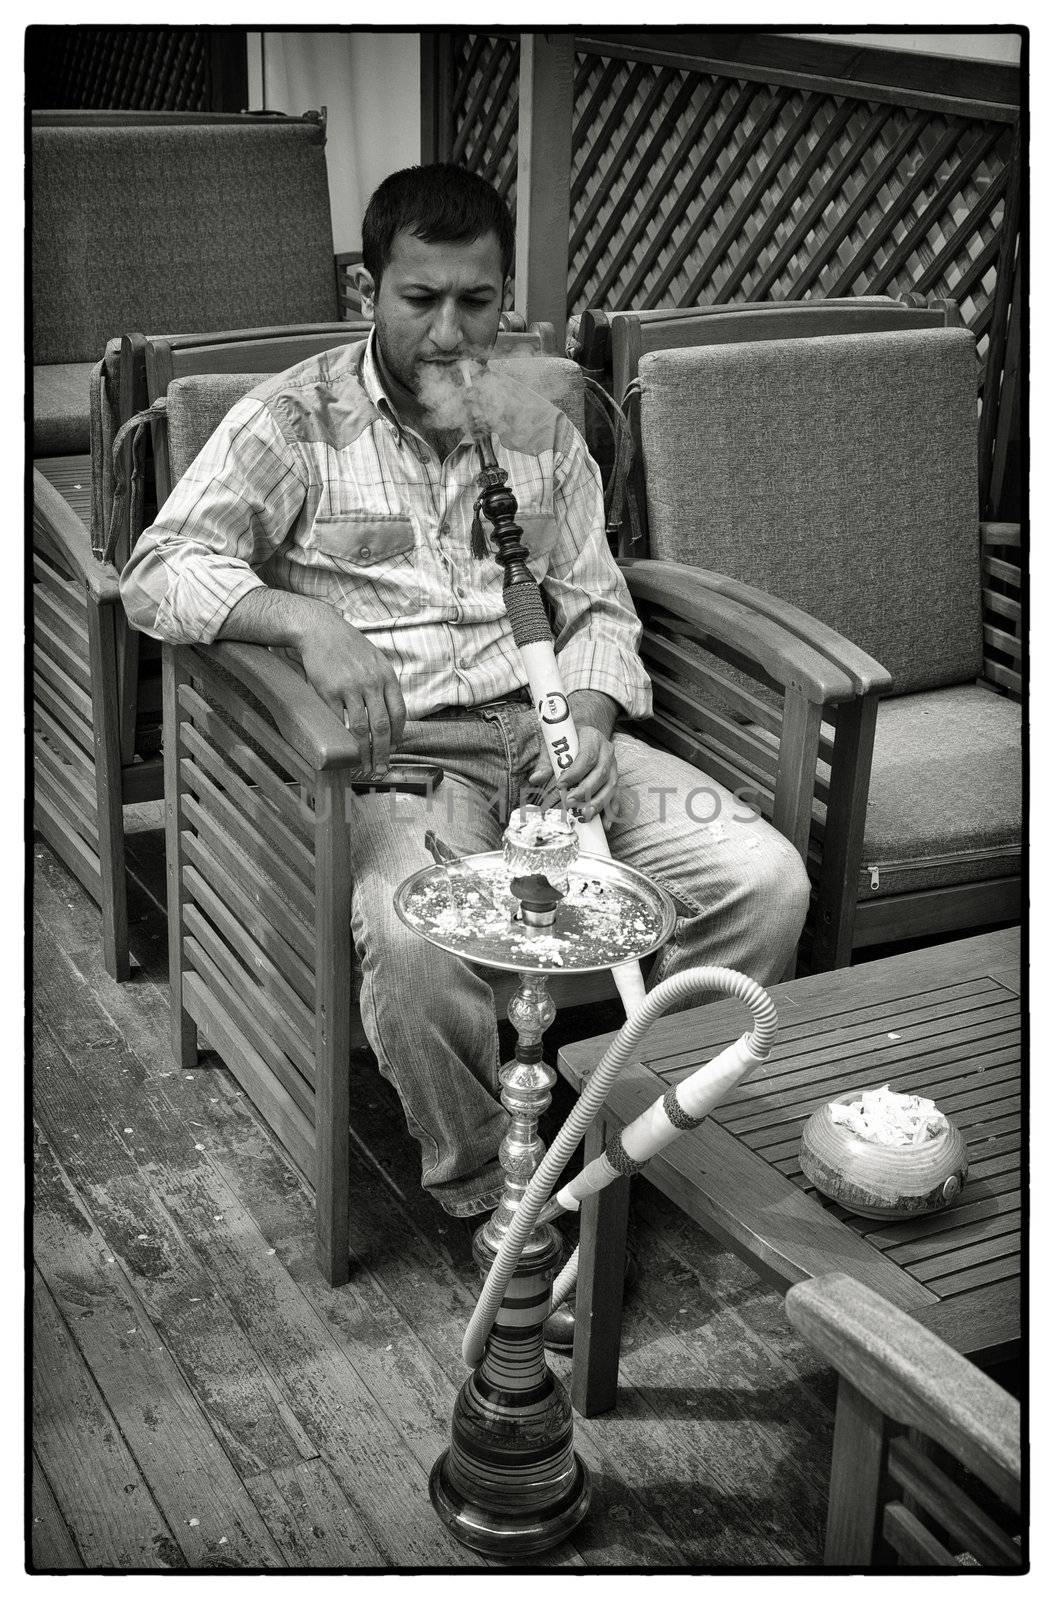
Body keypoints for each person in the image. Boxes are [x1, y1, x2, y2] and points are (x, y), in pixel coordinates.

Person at [121, 163, 809, 1228]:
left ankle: (635, 1133)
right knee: (413, 941)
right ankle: (491, 1183)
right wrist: (306, 619)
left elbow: (597, 606)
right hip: (407, 762)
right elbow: (159, 571)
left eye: (475, 301)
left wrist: (589, 710)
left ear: (505, 300)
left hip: (552, 744)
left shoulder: (536, 426)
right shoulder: (292, 420)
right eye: (420, 299)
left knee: (761, 879)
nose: (449, 334)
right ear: (367, 294)